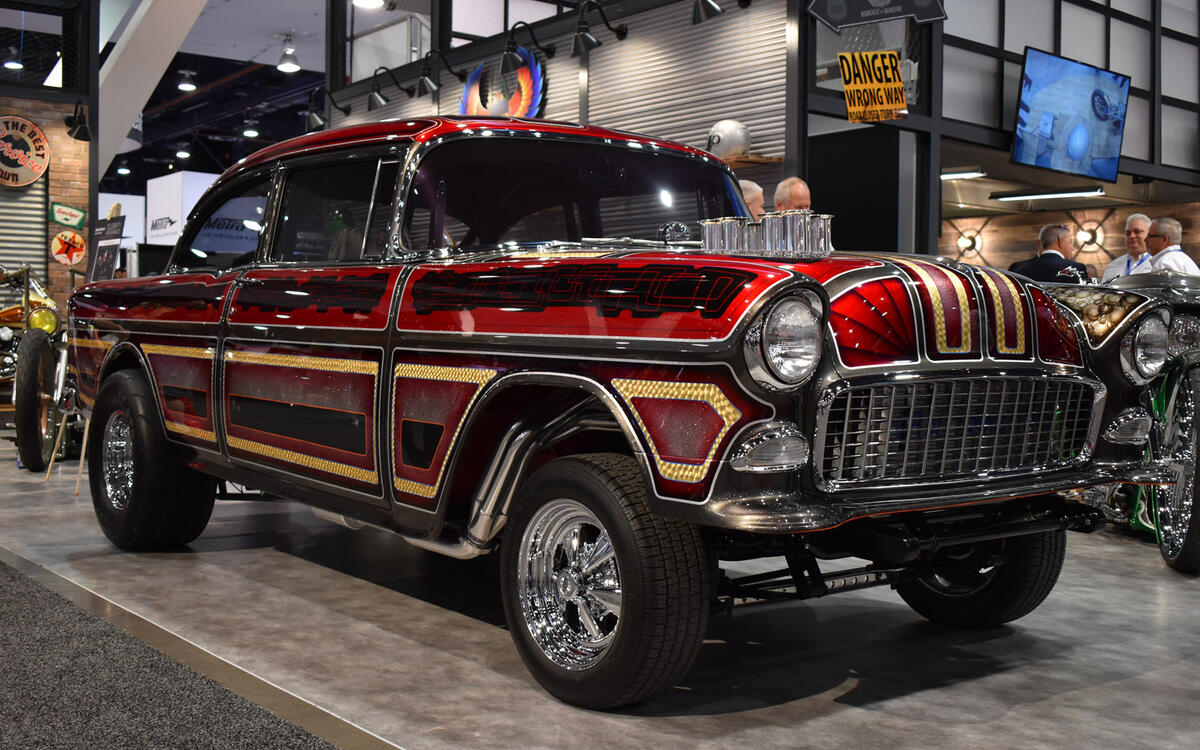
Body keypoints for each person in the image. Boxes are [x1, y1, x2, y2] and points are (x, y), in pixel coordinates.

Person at [1010, 224, 1090, 283]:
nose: (1072, 248)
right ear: (1061, 241)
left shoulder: (1020, 271)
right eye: (1070, 242)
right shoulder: (1075, 268)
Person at [1100, 213, 1154, 282]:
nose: (1132, 236)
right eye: (1128, 233)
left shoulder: (1157, 264)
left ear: (1149, 234)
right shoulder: (1113, 266)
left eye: (1137, 232)